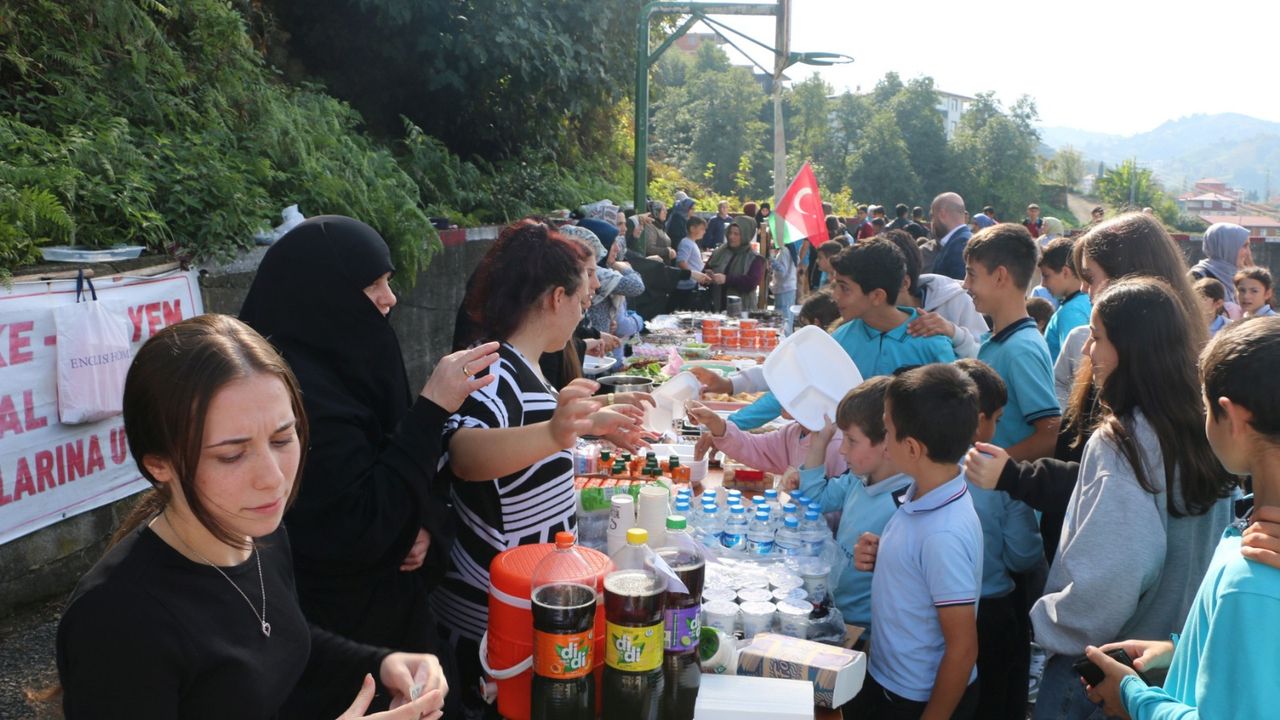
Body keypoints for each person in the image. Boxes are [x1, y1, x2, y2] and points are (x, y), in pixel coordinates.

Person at [56, 314, 448, 720]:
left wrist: (382, 663)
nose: (273, 478)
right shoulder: (115, 620)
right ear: (159, 464)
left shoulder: (258, 534)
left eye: (282, 438)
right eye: (232, 455)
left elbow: (277, 643)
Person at [238, 216, 495, 716]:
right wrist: (432, 409)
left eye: (388, 281)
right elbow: (358, 525)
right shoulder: (284, 396)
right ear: (322, 293)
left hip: (396, 618)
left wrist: (424, 524)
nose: (389, 297)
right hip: (334, 632)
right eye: (372, 284)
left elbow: (415, 468)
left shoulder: (359, 354)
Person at [432, 220, 646, 709]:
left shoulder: (522, 366)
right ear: (556, 298)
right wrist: (556, 433)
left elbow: (530, 440)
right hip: (492, 622)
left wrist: (589, 423)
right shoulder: (492, 369)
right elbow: (463, 454)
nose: (581, 313)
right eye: (581, 303)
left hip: (519, 605)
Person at [1027, 278, 1236, 720]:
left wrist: (1050, 623)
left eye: (1097, 337)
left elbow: (1112, 577)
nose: (1088, 351)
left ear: (1131, 348)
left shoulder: (1124, 442)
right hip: (1176, 665)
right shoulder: (1205, 429)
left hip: (1104, 672)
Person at [1082, 317, 1280, 720]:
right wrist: (1185, 651)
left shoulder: (1252, 576)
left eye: (1206, 407)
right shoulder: (1253, 536)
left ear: (1232, 417)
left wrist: (1133, 698)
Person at [850, 364, 984, 720]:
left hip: (913, 699)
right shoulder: (926, 491)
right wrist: (885, 555)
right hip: (888, 676)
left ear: (911, 447)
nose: (884, 439)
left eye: (887, 430)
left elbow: (962, 650)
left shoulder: (943, 534)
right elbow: (923, 573)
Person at [727, 239, 958, 430]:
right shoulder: (841, 338)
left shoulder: (932, 343)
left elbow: (955, 416)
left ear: (877, 296)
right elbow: (791, 388)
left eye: (844, 288)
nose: (835, 295)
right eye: (835, 285)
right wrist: (729, 427)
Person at [954, 359, 1043, 720]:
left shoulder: (916, 468)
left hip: (936, 611)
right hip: (992, 609)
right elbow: (1024, 556)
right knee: (997, 700)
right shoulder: (1000, 477)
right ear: (980, 420)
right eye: (999, 419)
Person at [795, 377, 912, 636]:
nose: (842, 450)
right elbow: (815, 502)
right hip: (836, 613)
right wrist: (819, 443)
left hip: (867, 631)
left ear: (887, 444)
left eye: (851, 440)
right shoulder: (857, 479)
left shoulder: (905, 505)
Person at [963, 223, 1061, 461]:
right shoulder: (1001, 340)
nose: (965, 284)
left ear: (1000, 276)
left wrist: (992, 465)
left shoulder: (1021, 349)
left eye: (972, 274)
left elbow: (1050, 434)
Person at [883, 229, 989, 359]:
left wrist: (955, 333)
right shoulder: (866, 316)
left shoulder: (957, 300)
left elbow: (987, 357)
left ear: (905, 283)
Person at [1039, 236, 1091, 362]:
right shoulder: (1086, 300)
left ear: (1065, 272)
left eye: (1046, 276)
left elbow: (1075, 363)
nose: (1043, 284)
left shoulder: (1070, 311)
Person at [1189, 221, 1251, 319]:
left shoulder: (1236, 277)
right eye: (1244, 246)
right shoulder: (1198, 276)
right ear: (1227, 246)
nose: (1248, 252)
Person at [705, 221, 764, 311]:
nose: (731, 237)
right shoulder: (719, 252)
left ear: (745, 236)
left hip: (742, 310)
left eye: (736, 234)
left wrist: (727, 279)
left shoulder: (754, 258)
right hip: (717, 307)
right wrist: (707, 276)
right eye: (730, 233)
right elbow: (706, 269)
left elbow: (752, 283)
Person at [671, 215, 711, 310]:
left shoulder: (692, 243)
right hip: (685, 287)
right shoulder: (686, 243)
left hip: (691, 284)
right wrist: (693, 274)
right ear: (692, 228)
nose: (704, 232)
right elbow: (681, 262)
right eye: (702, 229)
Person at [930, 192, 972, 280]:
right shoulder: (964, 240)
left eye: (933, 216)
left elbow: (957, 286)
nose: (932, 222)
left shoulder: (960, 244)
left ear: (942, 214)